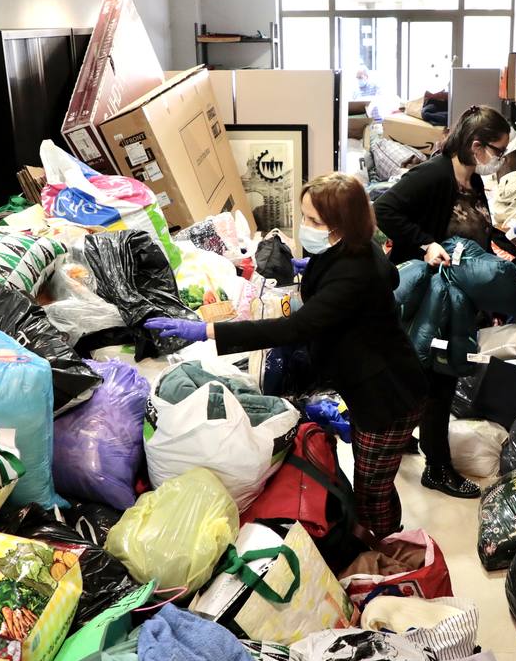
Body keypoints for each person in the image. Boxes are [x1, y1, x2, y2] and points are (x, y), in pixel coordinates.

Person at [145, 173, 428, 540]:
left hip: (388, 398)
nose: (305, 227)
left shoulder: (355, 274)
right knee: (372, 476)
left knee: (373, 487)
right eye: (305, 216)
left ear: (342, 225)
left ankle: (390, 550)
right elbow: (360, 273)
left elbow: (293, 329)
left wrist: (207, 330)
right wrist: (311, 271)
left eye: (314, 221)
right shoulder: (354, 246)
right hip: (373, 383)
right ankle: (378, 537)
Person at [373, 104, 512, 499]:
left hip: (454, 294)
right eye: (496, 152)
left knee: (424, 374)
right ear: (475, 145)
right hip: (427, 294)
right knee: (440, 379)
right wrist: (425, 243)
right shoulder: (434, 175)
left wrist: (496, 254)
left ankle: (400, 436)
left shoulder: (472, 180)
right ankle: (437, 468)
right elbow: (384, 210)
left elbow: (477, 224)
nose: (497, 161)